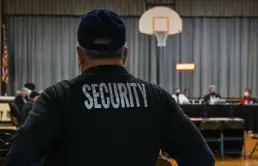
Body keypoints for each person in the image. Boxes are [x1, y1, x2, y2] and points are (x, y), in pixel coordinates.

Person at [5, 9, 215, 166]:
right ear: (125, 53)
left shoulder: (56, 97)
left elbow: (18, 159)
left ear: (79, 55)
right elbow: (202, 159)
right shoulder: (157, 98)